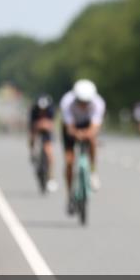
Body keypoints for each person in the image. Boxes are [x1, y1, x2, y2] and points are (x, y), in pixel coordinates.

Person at [60, 79, 105, 211]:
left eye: (87, 102)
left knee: (92, 141)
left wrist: (87, 134)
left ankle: (93, 171)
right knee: (69, 161)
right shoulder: (66, 102)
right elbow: (69, 127)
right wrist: (76, 134)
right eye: (80, 102)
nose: (84, 105)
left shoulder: (98, 103)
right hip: (72, 125)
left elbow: (95, 127)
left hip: (87, 124)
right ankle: (70, 195)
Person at [28, 94, 58, 192]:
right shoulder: (34, 110)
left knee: (49, 152)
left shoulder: (50, 111)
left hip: (47, 131)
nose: (42, 110)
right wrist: (37, 126)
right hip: (36, 128)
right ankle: (32, 153)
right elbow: (32, 125)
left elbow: (51, 124)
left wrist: (45, 125)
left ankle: (51, 177)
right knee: (32, 137)